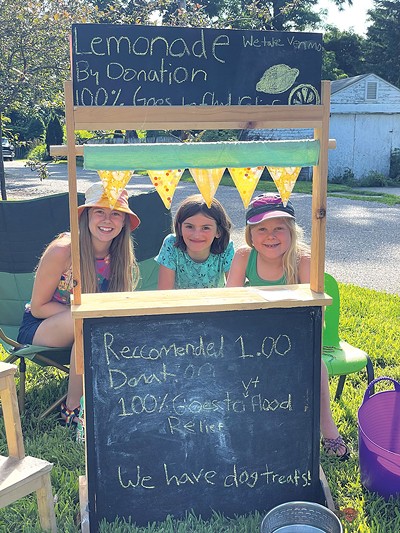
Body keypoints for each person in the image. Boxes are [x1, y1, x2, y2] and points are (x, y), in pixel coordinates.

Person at [226, 192, 349, 460]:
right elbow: (229, 304)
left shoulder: (303, 260)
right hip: (251, 338)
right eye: (262, 229)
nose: (270, 236)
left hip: (295, 337)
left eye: (279, 228)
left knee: (317, 367)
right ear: (250, 234)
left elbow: (313, 313)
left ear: (291, 231)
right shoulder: (243, 257)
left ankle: (328, 430)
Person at [17, 183, 140, 426]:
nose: (108, 220)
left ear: (124, 222)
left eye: (116, 213)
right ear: (86, 216)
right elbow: (39, 306)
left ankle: (120, 400)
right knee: (87, 324)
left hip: (88, 326)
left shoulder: (120, 255)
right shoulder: (63, 251)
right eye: (100, 212)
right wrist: (87, 316)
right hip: (41, 327)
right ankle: (73, 410)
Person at [156, 194, 234, 289]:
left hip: (214, 302)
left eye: (205, 228)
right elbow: (165, 292)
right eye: (189, 226)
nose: (197, 235)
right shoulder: (171, 244)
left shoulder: (226, 246)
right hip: (180, 303)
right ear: (180, 228)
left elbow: (235, 291)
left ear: (218, 231)